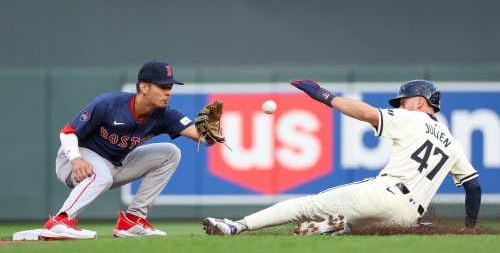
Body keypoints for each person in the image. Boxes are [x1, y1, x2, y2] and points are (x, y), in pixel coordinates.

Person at [203, 79, 482, 235]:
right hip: (408, 216)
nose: (400, 105)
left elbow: (366, 113)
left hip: (384, 194)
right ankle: (330, 227)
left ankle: (235, 226)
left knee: (304, 204)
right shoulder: (454, 144)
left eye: (404, 101)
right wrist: (469, 228)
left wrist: (326, 97)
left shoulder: (413, 118)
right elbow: (474, 187)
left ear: (420, 102)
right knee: (348, 223)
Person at [40, 60, 214, 240]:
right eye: (162, 86)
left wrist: (212, 133)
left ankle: (132, 221)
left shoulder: (167, 116)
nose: (168, 91)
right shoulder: (109, 103)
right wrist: (75, 159)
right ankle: (60, 221)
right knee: (102, 175)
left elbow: (203, 139)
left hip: (114, 164)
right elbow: (68, 133)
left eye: (170, 86)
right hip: (75, 158)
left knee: (170, 153)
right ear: (144, 87)